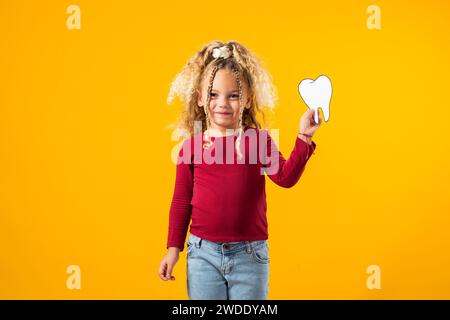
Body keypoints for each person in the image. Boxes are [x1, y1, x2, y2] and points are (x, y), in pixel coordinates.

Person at [158, 40, 322, 299]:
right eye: (213, 94)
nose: (223, 102)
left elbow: (286, 178)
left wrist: (303, 138)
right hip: (202, 256)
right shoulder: (191, 148)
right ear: (200, 98)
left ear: (247, 100)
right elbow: (181, 202)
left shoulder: (257, 141)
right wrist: (173, 248)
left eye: (233, 95)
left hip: (250, 256)